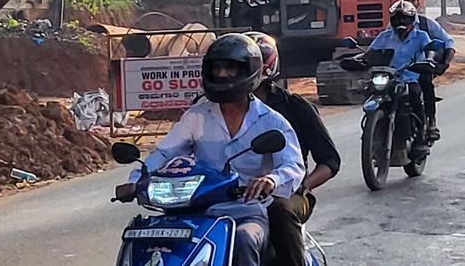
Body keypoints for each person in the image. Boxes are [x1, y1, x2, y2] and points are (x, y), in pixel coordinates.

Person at [126, 34, 305, 266]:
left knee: (244, 239)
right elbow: (164, 153)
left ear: (249, 71)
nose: (221, 74)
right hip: (195, 211)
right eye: (217, 68)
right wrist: (136, 180)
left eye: (230, 68)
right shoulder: (196, 116)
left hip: (246, 211)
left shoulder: (271, 121)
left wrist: (271, 179)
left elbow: (293, 164)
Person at [251, 34, 340, 266]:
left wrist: (303, 185)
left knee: (280, 210)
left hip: (286, 190)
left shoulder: (295, 107)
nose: (227, 73)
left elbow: (330, 161)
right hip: (232, 191)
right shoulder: (209, 109)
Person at [366, 0, 435, 160]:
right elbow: (370, 53)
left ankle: (420, 138)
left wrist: (429, 60)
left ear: (412, 20)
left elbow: (430, 49)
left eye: (404, 18)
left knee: (415, 95)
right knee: (368, 92)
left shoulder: (420, 36)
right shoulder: (384, 37)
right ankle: (372, 134)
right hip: (388, 78)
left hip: (410, 79)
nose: (401, 22)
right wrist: (358, 59)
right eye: (397, 18)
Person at [399, 0, 455, 141]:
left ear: (417, 3)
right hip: (397, 71)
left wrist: (445, 63)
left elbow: (448, 42)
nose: (408, 3)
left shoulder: (425, 26)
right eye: (405, 1)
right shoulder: (392, 27)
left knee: (425, 82)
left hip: (420, 69)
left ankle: (430, 121)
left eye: (412, 0)